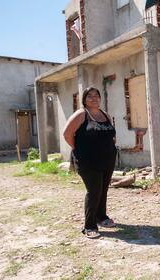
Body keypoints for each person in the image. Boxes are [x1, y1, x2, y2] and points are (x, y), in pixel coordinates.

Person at [63, 87, 117, 239]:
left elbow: (112, 133)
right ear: (84, 99)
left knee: (103, 189)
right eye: (90, 96)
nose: (94, 98)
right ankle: (90, 225)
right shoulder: (81, 114)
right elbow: (67, 134)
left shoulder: (105, 114)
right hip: (87, 160)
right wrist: (77, 148)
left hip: (107, 159)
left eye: (96, 95)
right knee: (94, 191)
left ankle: (101, 217)